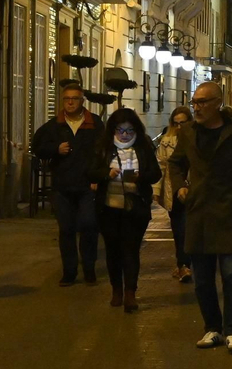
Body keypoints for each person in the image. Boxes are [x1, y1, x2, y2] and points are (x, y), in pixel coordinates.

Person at [168, 81, 232, 354]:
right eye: (194, 102)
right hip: (199, 210)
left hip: (228, 211)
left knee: (231, 275)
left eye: (203, 102)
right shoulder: (188, 132)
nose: (197, 107)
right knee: (202, 278)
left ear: (218, 102)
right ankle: (212, 328)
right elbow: (175, 162)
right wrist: (180, 185)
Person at [31, 82, 103, 287]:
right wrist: (56, 149)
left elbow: (103, 152)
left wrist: (98, 177)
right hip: (63, 186)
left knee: (89, 225)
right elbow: (37, 147)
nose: (70, 102)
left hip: (88, 186)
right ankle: (69, 272)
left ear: (82, 101)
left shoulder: (94, 124)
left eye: (74, 99)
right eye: (67, 99)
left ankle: (89, 268)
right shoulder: (54, 126)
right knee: (66, 229)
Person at [91, 108, 162, 312]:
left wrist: (140, 176)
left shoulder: (143, 147)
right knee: (113, 250)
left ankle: (130, 292)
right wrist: (107, 173)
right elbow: (90, 171)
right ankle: (116, 291)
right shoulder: (103, 147)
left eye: (129, 130)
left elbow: (155, 173)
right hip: (109, 207)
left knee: (130, 250)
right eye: (120, 130)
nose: (124, 135)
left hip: (135, 207)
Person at [155, 106, 194, 283]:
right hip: (174, 191)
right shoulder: (166, 141)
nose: (179, 127)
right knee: (179, 231)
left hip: (194, 190)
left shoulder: (196, 139)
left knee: (187, 229)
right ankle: (183, 265)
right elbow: (161, 166)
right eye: (176, 123)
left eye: (183, 123)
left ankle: (185, 264)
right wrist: (156, 190)